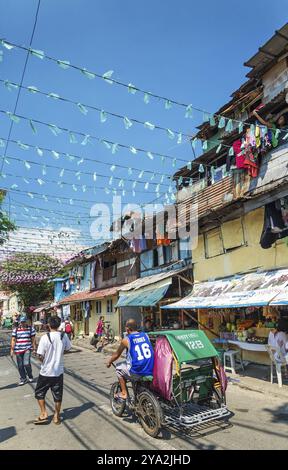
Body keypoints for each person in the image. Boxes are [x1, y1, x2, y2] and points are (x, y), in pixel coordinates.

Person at [34, 316, 71, 425]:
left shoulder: (45, 338)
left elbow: (40, 355)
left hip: (45, 372)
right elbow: (68, 349)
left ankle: (43, 413)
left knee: (39, 393)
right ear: (59, 325)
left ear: (49, 325)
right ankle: (56, 416)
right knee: (57, 395)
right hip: (58, 372)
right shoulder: (64, 336)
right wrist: (59, 354)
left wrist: (43, 360)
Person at [107, 318, 154, 401]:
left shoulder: (127, 339)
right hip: (150, 369)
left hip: (137, 371)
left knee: (118, 368)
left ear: (128, 329)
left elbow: (117, 354)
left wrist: (109, 362)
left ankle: (124, 393)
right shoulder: (145, 335)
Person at [10, 314, 36, 386]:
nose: (23, 323)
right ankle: (23, 379)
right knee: (20, 365)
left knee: (26, 363)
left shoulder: (31, 329)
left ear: (26, 321)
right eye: (21, 322)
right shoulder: (16, 330)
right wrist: (12, 350)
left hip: (27, 348)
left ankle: (30, 375)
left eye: (24, 322)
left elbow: (33, 339)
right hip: (18, 350)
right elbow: (13, 340)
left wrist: (34, 348)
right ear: (19, 322)